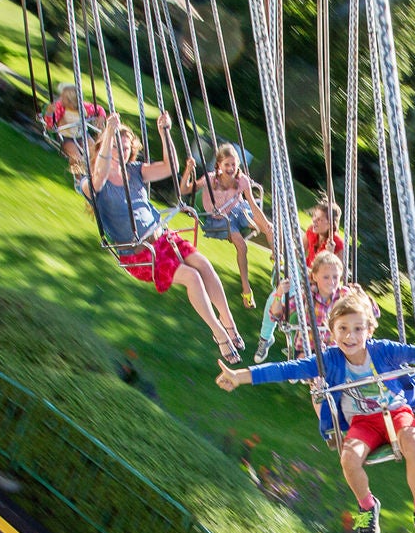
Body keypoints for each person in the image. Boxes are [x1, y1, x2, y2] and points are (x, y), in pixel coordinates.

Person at [218, 289, 415, 533]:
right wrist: (240, 376)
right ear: (332, 331)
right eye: (342, 329)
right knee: (349, 459)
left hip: (396, 413)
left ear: (369, 330)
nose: (349, 336)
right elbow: (287, 369)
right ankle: (367, 505)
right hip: (363, 423)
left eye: (357, 329)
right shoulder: (330, 360)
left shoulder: (385, 351)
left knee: (412, 441)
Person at [70, 113, 244, 364]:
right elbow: (100, 174)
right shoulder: (92, 183)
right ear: (106, 145)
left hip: (163, 239)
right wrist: (109, 132)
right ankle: (218, 333)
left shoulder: (135, 171)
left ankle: (229, 324)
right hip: (139, 255)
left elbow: (170, 166)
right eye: (117, 145)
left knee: (204, 265)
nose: (123, 150)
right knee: (192, 277)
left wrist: (165, 133)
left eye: (127, 147)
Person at [188, 143, 268, 309]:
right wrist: (188, 171)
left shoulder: (241, 180)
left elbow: (252, 205)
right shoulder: (211, 179)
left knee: (269, 226)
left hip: (238, 211)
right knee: (241, 245)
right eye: (227, 165)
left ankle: (278, 260)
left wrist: (265, 224)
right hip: (219, 219)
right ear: (219, 165)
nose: (231, 168)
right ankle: (246, 291)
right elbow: (186, 189)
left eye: (234, 164)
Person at [261, 246, 352, 363]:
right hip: (307, 348)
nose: (332, 281)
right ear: (314, 276)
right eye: (326, 277)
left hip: (333, 348)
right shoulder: (306, 296)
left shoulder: (344, 295)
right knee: (309, 363)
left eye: (335, 277)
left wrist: (361, 297)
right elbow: (276, 315)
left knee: (337, 363)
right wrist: (279, 294)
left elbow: (372, 313)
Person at [42, 79, 109, 148]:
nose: (60, 99)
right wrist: (49, 113)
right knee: (76, 156)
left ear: (71, 101)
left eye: (63, 97)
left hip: (83, 134)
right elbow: (50, 125)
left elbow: (99, 109)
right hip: (66, 137)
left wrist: (101, 117)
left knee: (94, 150)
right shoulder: (60, 108)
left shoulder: (84, 107)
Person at [304, 198, 346, 266]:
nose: (314, 220)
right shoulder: (311, 230)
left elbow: (340, 274)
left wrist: (330, 254)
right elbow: (299, 250)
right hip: (305, 271)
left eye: (319, 219)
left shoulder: (338, 244)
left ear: (330, 225)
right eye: (314, 216)